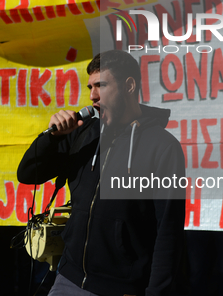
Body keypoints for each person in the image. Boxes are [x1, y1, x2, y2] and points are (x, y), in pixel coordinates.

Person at [18, 50, 185, 296]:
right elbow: (27, 174)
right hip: (68, 278)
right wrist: (51, 139)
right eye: (90, 87)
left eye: (101, 85)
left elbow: (168, 230)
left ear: (129, 85)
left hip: (122, 288)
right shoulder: (82, 134)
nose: (92, 96)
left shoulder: (162, 146)